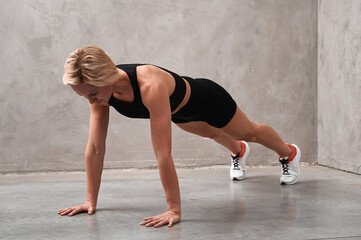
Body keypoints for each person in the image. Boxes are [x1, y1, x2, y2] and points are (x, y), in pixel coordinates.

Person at [58, 45, 301, 228]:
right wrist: (90, 200)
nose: (90, 100)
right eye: (84, 96)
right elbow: (95, 149)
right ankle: (238, 151)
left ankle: (288, 153)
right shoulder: (100, 94)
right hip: (179, 113)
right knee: (212, 132)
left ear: (106, 78)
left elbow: (163, 154)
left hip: (208, 100)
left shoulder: (150, 85)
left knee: (249, 131)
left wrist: (173, 210)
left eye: (91, 93)